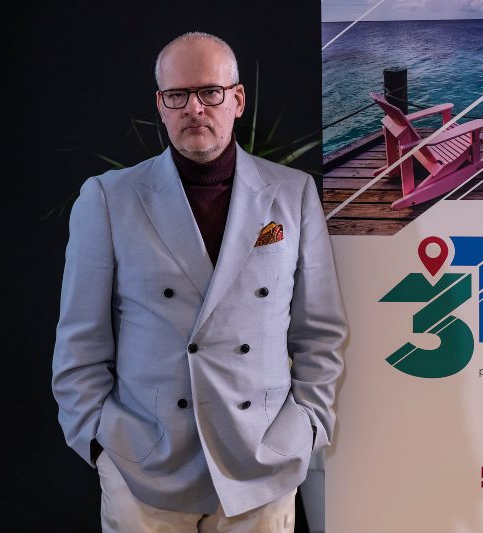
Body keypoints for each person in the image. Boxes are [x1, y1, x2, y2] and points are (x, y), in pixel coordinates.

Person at [51, 31, 347, 532]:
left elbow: (320, 331)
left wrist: (308, 427)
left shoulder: (293, 194)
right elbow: (79, 341)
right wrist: (100, 444)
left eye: (210, 92)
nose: (194, 108)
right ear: (160, 105)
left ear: (237, 99)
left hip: (262, 465)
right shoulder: (108, 198)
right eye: (177, 95)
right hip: (144, 469)